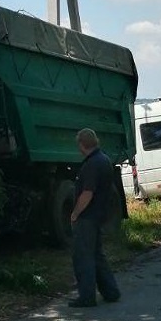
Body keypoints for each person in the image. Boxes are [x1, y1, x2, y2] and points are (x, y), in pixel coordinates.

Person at [68, 128, 121, 308]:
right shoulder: (104, 159)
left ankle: (87, 297)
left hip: (87, 217)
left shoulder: (91, 164)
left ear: (82, 145)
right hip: (99, 214)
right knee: (97, 255)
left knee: (84, 257)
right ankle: (111, 291)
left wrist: (75, 213)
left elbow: (87, 193)